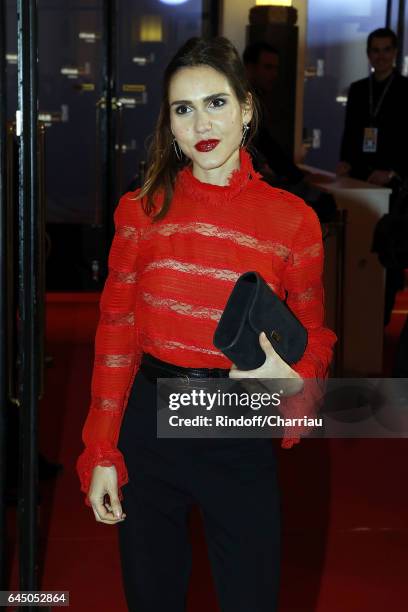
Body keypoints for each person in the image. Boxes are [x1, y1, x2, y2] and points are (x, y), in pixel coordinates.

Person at [76, 36, 336, 612]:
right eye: (183, 109)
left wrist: (291, 382)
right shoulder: (140, 210)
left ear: (246, 109)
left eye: (216, 103)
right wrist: (101, 452)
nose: (201, 124)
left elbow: (315, 334)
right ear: (169, 124)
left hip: (235, 423)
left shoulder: (293, 221)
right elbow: (116, 336)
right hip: (149, 427)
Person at [338, 27, 408, 325]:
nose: (380, 56)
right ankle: (358, 320)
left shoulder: (406, 89)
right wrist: (344, 162)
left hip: (394, 183)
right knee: (356, 253)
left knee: (386, 257)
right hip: (359, 178)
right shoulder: (357, 89)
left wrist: (393, 171)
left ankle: (380, 322)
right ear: (369, 54)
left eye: (386, 50)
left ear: (395, 53)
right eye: (375, 50)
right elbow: (350, 134)